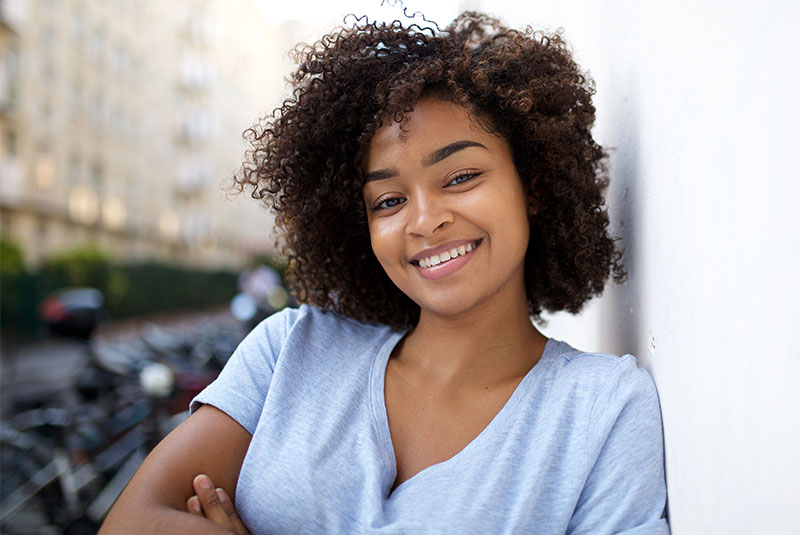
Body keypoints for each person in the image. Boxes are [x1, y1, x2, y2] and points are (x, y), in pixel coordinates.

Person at [100, 11, 669, 534]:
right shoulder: (290, 352)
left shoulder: (604, 411)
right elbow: (130, 522)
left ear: (534, 186)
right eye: (389, 201)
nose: (424, 221)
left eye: (460, 176)